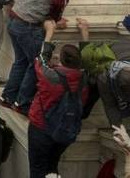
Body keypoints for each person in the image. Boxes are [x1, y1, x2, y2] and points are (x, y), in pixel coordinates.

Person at [0, 0, 78, 114]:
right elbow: (59, 1)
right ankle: (22, 103)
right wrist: (54, 19)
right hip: (29, 26)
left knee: (20, 61)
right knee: (36, 64)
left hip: (15, 19)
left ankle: (7, 97)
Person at [27, 18, 89, 178]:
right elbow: (88, 59)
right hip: (66, 130)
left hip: (41, 128)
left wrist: (49, 32)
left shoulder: (50, 76)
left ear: (60, 60)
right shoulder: (84, 76)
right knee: (52, 166)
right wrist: (84, 32)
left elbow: (41, 59)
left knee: (37, 169)